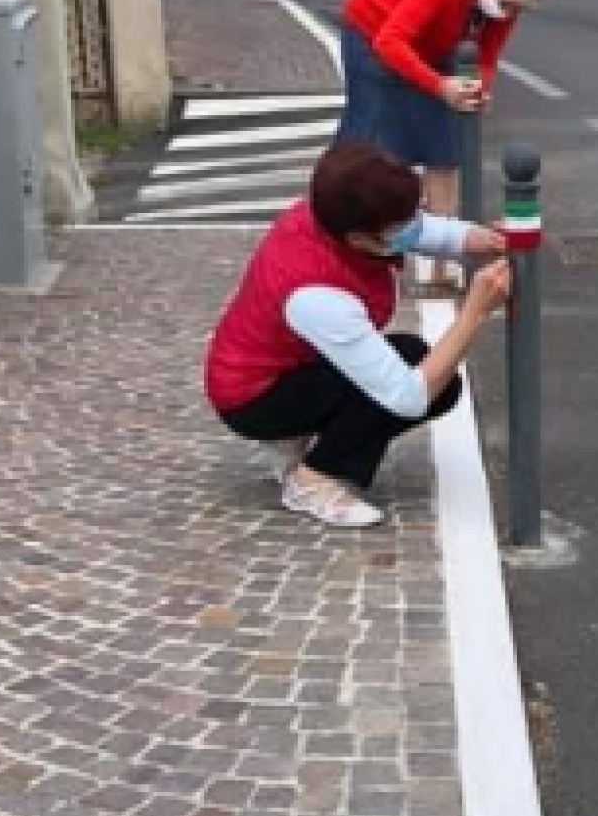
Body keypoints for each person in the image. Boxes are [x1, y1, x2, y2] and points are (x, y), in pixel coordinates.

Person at [207, 143, 510, 528]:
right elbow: (407, 397)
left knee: (415, 356)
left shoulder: (328, 212)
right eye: (402, 227)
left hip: (288, 365)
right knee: (432, 380)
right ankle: (312, 480)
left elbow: (413, 228)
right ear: (358, 240)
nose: (415, 226)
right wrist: (474, 312)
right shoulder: (316, 295)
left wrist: (473, 239)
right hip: (253, 396)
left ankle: (297, 438)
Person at [336, 0, 557, 283]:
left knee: (444, 147)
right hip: (374, 30)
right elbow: (390, 42)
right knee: (369, 148)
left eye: (519, 8)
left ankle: (443, 263)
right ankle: (344, 244)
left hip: (436, 43)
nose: (509, 11)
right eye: (509, 2)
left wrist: (477, 88)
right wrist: (440, 86)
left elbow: (487, 56)